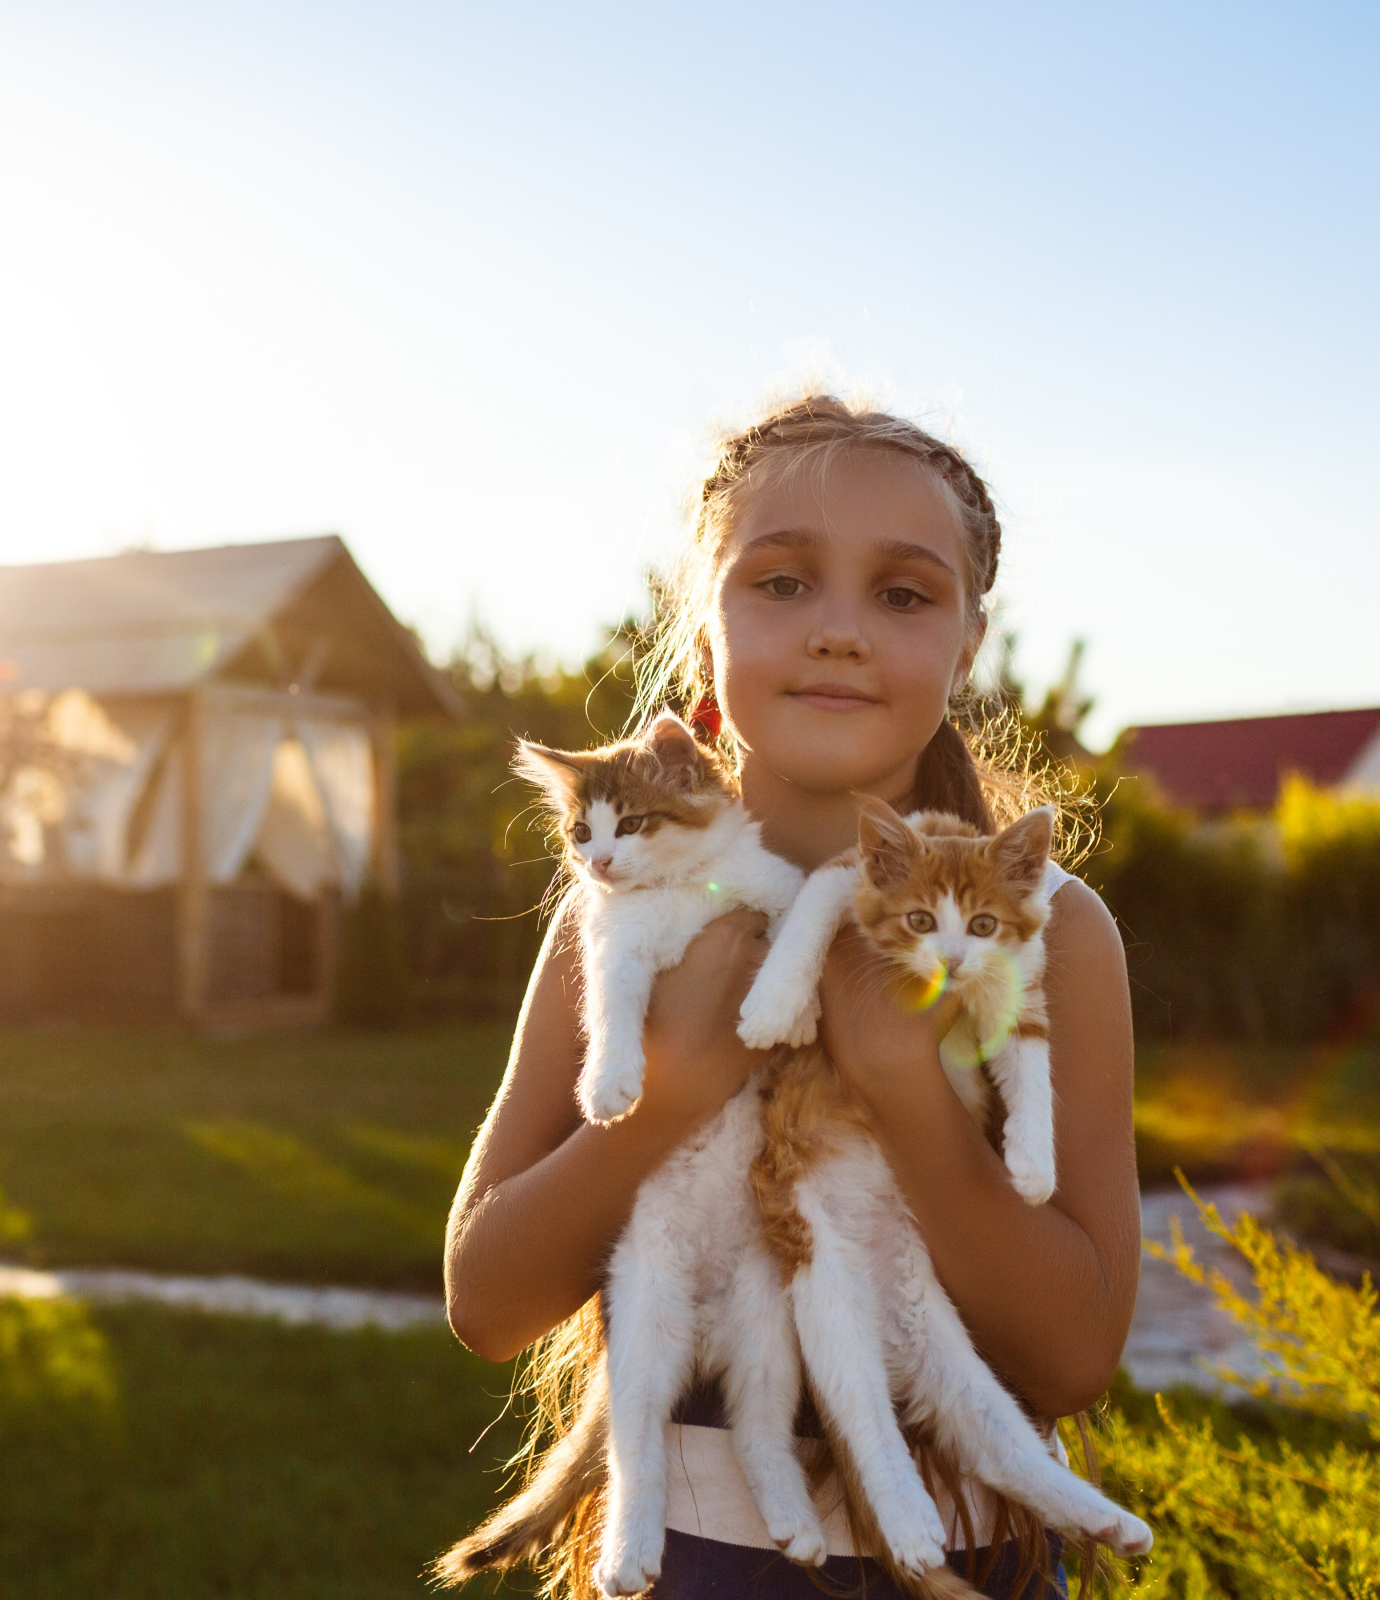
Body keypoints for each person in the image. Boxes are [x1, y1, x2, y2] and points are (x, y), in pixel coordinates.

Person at [442, 395, 1140, 1599]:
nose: (837, 632)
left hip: (976, 1558)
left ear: (968, 645)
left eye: (903, 595)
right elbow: (488, 1300)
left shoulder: (1052, 933)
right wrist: (670, 1097)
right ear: (701, 625)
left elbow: (1072, 1355)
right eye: (780, 584)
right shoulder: (617, 918)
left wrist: (903, 1086)